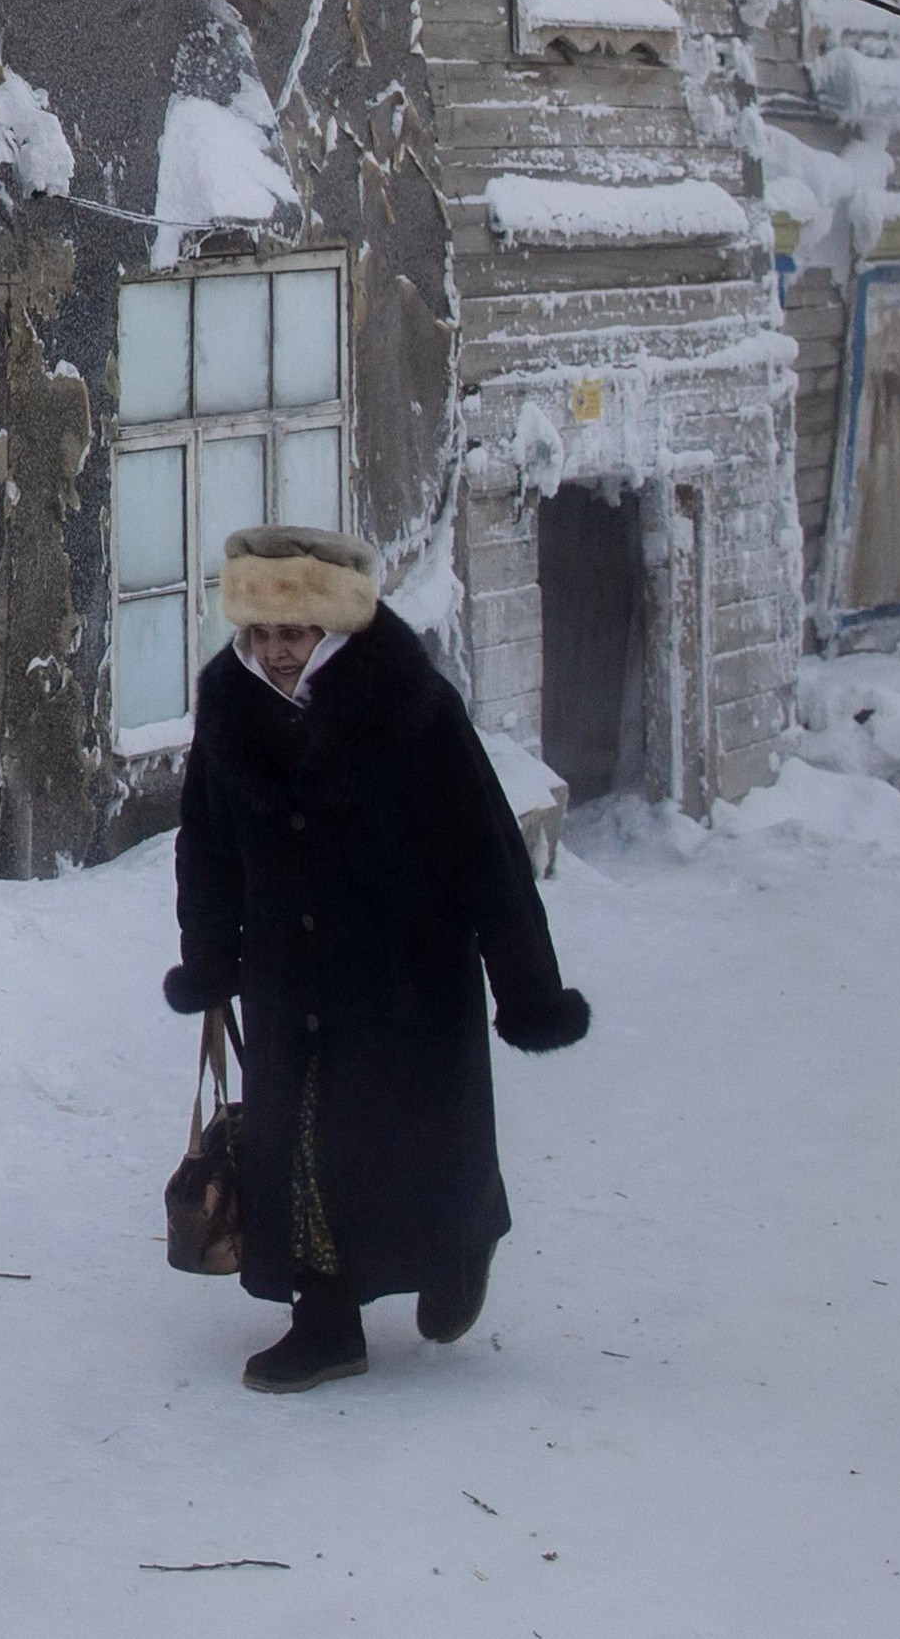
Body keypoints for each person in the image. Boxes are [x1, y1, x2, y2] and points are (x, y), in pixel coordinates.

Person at [164, 523, 590, 1393]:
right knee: (304, 1146)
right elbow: (205, 848)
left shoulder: (409, 704)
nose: (277, 653)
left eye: (296, 633)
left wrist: (528, 988)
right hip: (289, 976)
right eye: (262, 634)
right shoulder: (231, 707)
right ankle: (325, 1324)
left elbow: (488, 850)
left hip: (409, 972)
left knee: (416, 1142)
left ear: (336, 629)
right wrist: (210, 960)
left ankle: (460, 1247)